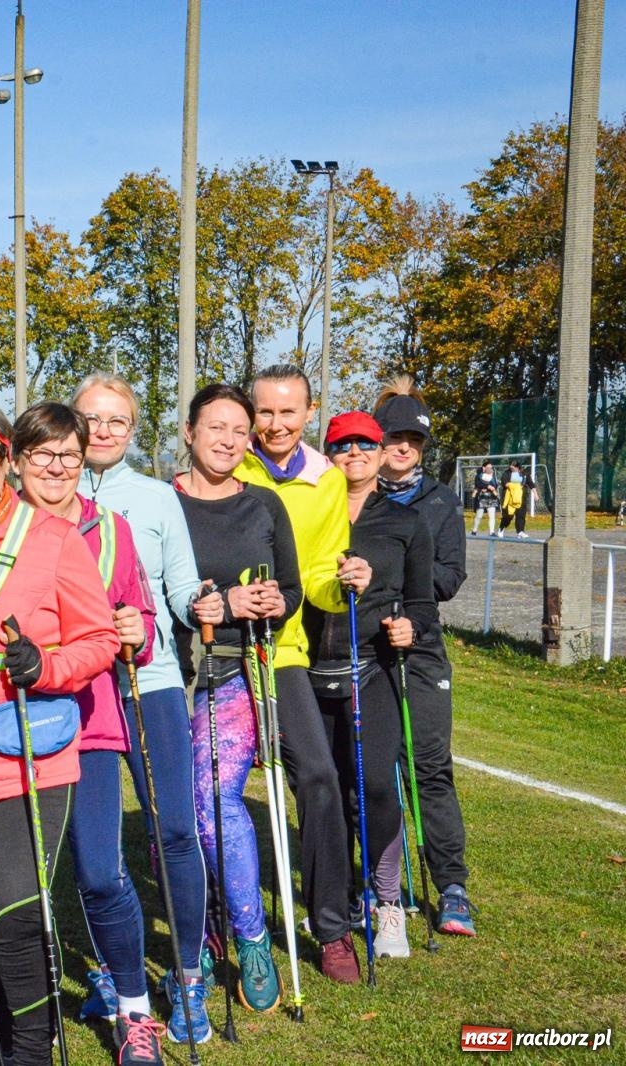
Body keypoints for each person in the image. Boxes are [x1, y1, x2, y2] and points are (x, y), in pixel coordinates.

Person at [0, 399, 119, 1065]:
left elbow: (99, 641)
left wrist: (47, 666)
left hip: (24, 752)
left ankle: (30, 1049)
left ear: (8, 459)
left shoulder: (53, 538)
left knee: (12, 911)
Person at [10, 402, 164, 1065]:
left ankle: (134, 1009)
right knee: (19, 885)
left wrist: (139, 632)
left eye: (68, 456)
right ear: (17, 460)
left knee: (100, 872)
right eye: (42, 455)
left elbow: (142, 615)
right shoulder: (0, 527)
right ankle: (17, 1013)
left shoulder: (114, 532)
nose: (55, 468)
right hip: (10, 726)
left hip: (92, 720)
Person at [72, 373, 214, 1042]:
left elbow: (181, 588)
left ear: (134, 430)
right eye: (91, 418)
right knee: (95, 851)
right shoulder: (47, 497)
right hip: (82, 692)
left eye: (117, 420)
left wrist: (200, 606)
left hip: (149, 682)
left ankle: (189, 973)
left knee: (176, 830)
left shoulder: (158, 498)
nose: (103, 431)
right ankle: (112, 970)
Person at [234, 363, 372, 983]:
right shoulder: (228, 465)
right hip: (215, 651)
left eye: (288, 412)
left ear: (310, 414)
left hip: (284, 651)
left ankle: (332, 926)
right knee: (213, 790)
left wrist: (339, 584)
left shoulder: (326, 481)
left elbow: (317, 574)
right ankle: (218, 919)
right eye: (264, 411)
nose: (275, 424)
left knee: (317, 776)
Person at [172, 383, 302, 1013]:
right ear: (189, 432)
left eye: (237, 430)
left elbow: (293, 589)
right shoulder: (159, 501)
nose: (226, 440)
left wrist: (276, 602)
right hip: (170, 675)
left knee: (213, 796)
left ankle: (249, 936)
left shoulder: (266, 505)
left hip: (235, 675)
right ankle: (194, 937)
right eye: (214, 427)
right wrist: (216, 602)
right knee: (176, 810)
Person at [307, 412, 435, 963]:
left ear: (382, 454)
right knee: (324, 790)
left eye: (365, 443)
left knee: (377, 788)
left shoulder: (406, 524)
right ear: (328, 453)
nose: (354, 452)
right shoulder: (310, 515)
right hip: (310, 670)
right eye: (341, 444)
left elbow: (424, 604)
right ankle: (338, 904)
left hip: (375, 668)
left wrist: (412, 628)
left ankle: (387, 902)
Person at [373, 380, 476, 937]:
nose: (404, 447)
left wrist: (407, 584)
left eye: (413, 438)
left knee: (429, 767)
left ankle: (452, 887)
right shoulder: (359, 498)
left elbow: (450, 577)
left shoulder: (440, 500)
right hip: (370, 647)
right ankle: (379, 885)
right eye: (394, 436)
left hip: (424, 647)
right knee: (374, 771)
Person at [497, 461, 528, 538]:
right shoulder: (506, 473)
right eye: (510, 465)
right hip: (509, 498)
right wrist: (517, 486)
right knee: (508, 515)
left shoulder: (524, 473)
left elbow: (530, 483)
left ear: (518, 467)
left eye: (513, 466)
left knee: (521, 515)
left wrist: (535, 493)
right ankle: (501, 528)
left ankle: (520, 531)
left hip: (521, 498)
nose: (511, 467)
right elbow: (505, 483)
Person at [470, 460, 499, 535]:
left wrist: (492, 487)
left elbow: (496, 485)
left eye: (491, 468)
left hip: (491, 497)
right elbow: (478, 484)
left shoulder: (493, 476)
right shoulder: (479, 476)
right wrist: (487, 486)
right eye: (488, 467)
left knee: (492, 515)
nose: (490, 469)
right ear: (484, 468)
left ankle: (492, 532)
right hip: (482, 497)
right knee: (479, 515)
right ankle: (474, 530)